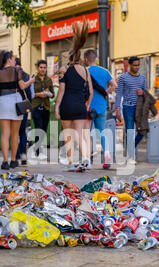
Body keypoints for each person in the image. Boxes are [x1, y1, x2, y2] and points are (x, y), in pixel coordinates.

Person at [55, 20, 93, 172]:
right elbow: (90, 91)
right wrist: (87, 104)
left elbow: (61, 91)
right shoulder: (86, 71)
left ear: (70, 57)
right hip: (80, 105)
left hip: (67, 105)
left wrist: (57, 107)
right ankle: (85, 157)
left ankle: (71, 162)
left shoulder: (65, 70)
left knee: (68, 135)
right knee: (80, 133)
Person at [0, 50, 35, 170]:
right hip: (15, 101)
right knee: (15, 133)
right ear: (9, 59)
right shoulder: (16, 70)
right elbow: (22, 86)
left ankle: (5, 161)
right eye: (14, 58)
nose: (15, 60)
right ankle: (14, 160)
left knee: (5, 134)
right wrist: (30, 81)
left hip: (3, 101)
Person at [84, 49, 117, 170]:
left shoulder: (85, 71)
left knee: (88, 133)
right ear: (96, 58)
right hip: (102, 106)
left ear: (86, 59)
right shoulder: (104, 71)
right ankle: (107, 157)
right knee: (102, 132)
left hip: (88, 107)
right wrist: (106, 92)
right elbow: (115, 85)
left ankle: (89, 157)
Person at [115, 56, 147, 163]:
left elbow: (145, 93)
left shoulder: (142, 78)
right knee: (130, 131)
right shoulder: (123, 78)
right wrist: (117, 108)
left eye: (138, 65)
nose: (137, 67)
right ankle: (130, 157)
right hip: (128, 107)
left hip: (139, 108)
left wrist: (143, 93)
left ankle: (130, 148)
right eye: (135, 65)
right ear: (129, 65)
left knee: (143, 130)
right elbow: (119, 93)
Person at [31, 59, 54, 160]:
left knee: (44, 130)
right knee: (38, 128)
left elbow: (52, 94)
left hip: (46, 107)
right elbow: (29, 94)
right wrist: (39, 94)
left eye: (45, 68)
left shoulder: (49, 80)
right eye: (41, 67)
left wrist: (49, 93)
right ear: (37, 68)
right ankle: (37, 151)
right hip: (36, 107)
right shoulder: (33, 79)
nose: (43, 69)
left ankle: (38, 148)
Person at [16, 58, 34, 165]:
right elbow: (31, 94)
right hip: (24, 105)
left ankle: (17, 155)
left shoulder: (12, 75)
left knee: (15, 131)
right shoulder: (27, 76)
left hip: (14, 105)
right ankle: (23, 153)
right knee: (22, 130)